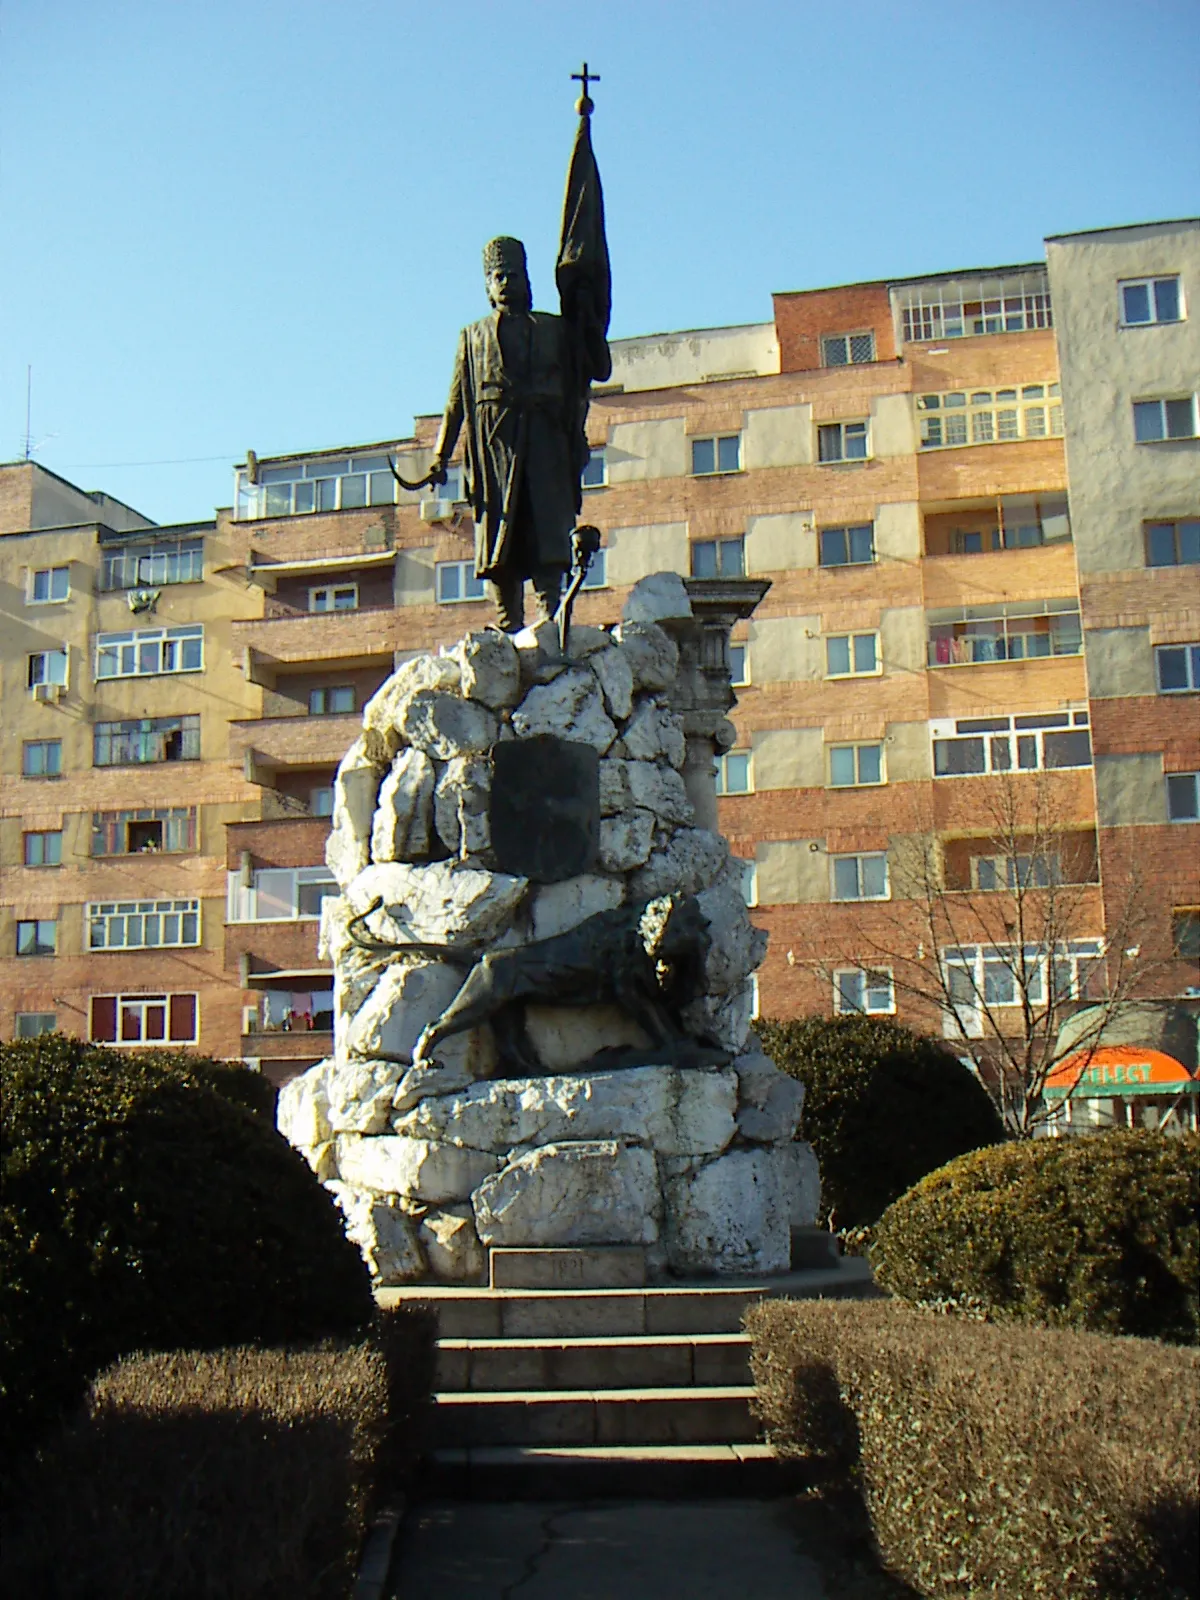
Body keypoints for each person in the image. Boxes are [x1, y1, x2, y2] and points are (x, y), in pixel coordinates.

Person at [428, 234, 610, 632]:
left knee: (547, 527)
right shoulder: (471, 336)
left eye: (513, 274)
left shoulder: (555, 328)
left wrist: (584, 304)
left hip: (545, 442)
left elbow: (583, 374)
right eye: (498, 276)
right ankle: (507, 622)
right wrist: (440, 456)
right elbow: (455, 401)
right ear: (488, 287)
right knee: (499, 535)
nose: (506, 282)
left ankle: (550, 616)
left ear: (527, 279)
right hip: (495, 447)